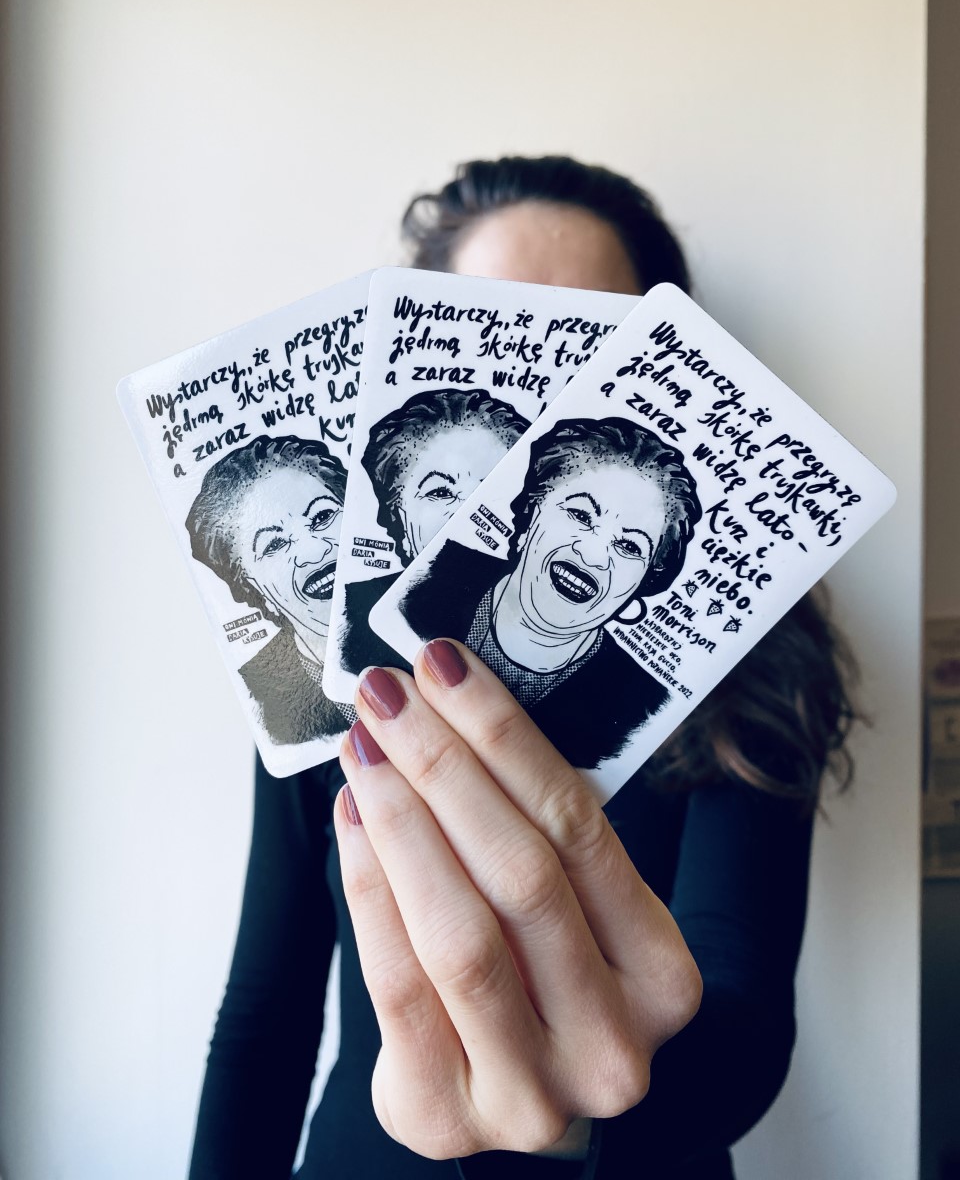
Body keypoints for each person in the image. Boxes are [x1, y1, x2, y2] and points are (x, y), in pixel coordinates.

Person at [189, 156, 856, 1180]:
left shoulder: (750, 656)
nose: (547, 403)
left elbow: (748, 1018)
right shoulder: (336, 664)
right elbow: (263, 1015)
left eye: (591, 347)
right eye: (508, 335)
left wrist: (581, 1120)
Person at [398, 416, 701, 767]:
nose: (593, 556)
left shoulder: (638, 708)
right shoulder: (420, 585)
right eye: (581, 515)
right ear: (530, 516)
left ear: (642, 583)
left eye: (630, 547)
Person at [339, 388, 530, 676]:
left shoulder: (551, 625)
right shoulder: (352, 619)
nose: (467, 514)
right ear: (397, 515)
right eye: (440, 492)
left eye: (492, 491)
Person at [186, 434, 352, 746]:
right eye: (274, 544)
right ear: (253, 588)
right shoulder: (270, 709)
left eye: (322, 516)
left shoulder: (440, 609)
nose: (315, 551)